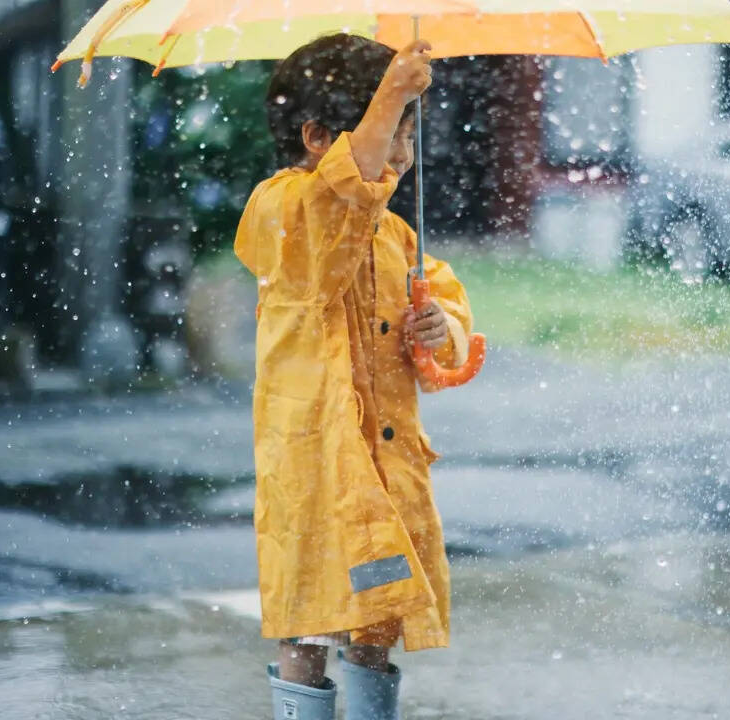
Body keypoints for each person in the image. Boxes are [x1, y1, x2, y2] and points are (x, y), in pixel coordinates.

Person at [234, 34, 474, 720]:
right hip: (314, 464)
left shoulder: (394, 234)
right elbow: (340, 201)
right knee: (308, 614)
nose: (402, 153)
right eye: (392, 133)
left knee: (374, 618)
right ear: (316, 136)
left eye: (407, 135)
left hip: (380, 467)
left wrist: (441, 330)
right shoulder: (281, 207)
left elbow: (445, 306)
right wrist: (394, 88)